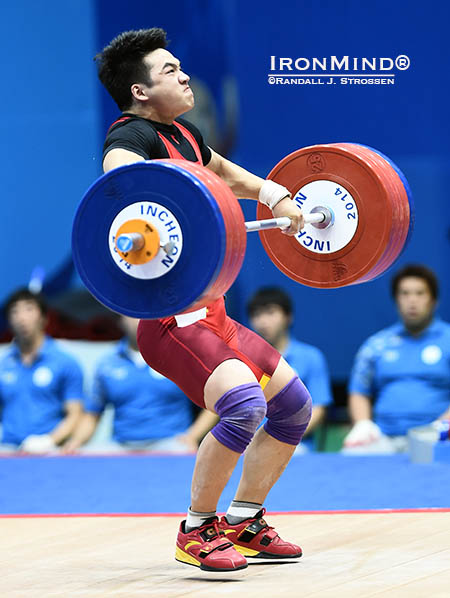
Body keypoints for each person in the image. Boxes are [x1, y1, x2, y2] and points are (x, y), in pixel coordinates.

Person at [95, 28, 311, 572]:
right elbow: (116, 179)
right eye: (169, 70)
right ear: (140, 92)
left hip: (214, 317)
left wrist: (271, 194)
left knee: (293, 407)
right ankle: (197, 528)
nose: (184, 74)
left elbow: (219, 172)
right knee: (244, 406)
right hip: (171, 324)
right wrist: (143, 207)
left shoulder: (184, 135)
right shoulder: (133, 136)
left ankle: (244, 520)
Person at [64, 315, 218, 452]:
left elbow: (214, 404)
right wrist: (75, 443)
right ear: (121, 319)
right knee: (89, 455)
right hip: (121, 446)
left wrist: (192, 436)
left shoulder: (181, 355)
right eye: (134, 314)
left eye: (146, 313)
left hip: (170, 444)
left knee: (182, 450)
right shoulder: (107, 364)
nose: (140, 319)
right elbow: (91, 416)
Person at [343, 264, 450, 454]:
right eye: (405, 293)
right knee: (352, 454)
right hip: (383, 438)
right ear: (396, 299)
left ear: (433, 300)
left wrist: (441, 428)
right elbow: (359, 391)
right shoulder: (376, 344)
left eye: (420, 293)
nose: (412, 301)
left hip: (437, 438)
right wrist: (363, 424)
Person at [247, 287, 333, 449]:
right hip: (247, 445)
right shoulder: (242, 362)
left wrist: (281, 440)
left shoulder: (311, 357)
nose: (263, 321)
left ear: (288, 317)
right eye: (257, 315)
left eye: (270, 312)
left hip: (294, 446)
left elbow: (319, 409)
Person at [0, 288, 83, 453]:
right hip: (8, 450)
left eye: (29, 309)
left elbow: (75, 414)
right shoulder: (3, 364)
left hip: (49, 451)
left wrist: (49, 440)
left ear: (44, 318)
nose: (22, 318)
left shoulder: (65, 362)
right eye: (15, 311)